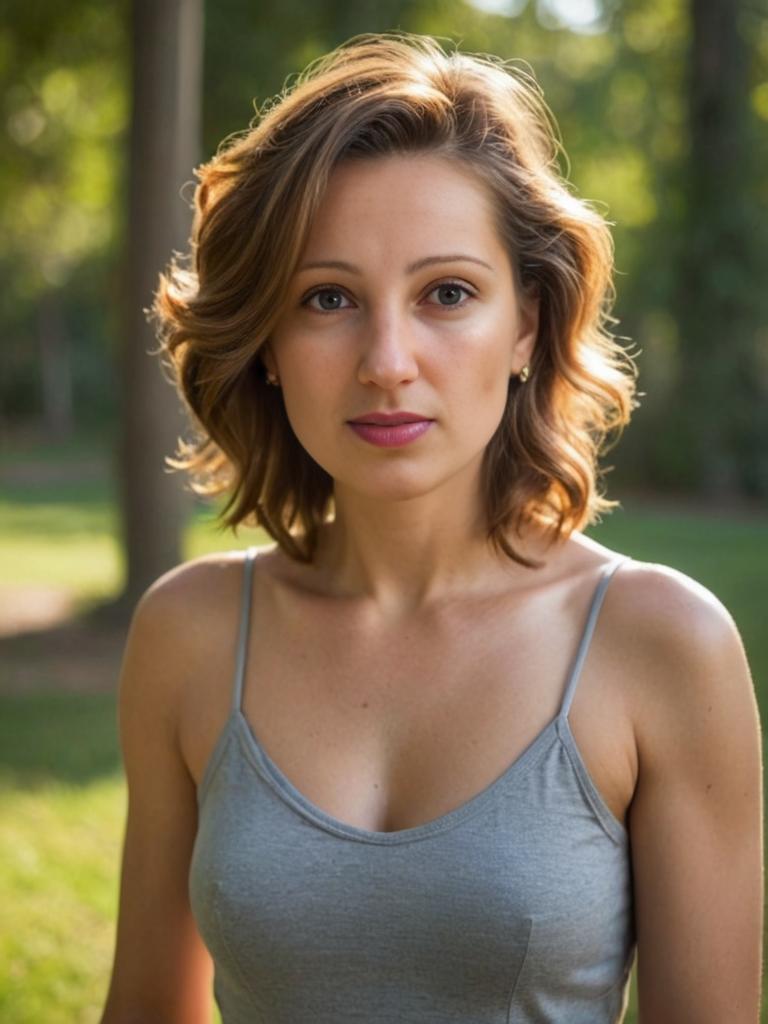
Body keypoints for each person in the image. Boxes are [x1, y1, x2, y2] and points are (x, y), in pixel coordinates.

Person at [99, 31, 763, 1024]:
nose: (388, 359)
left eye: (447, 293)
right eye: (328, 299)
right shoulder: (189, 634)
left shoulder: (661, 643)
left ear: (528, 326)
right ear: (269, 345)